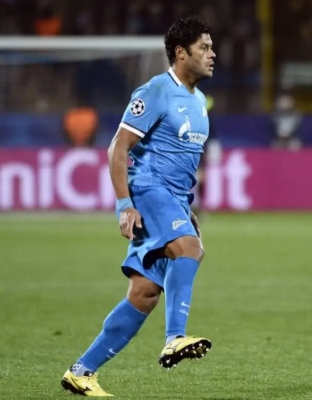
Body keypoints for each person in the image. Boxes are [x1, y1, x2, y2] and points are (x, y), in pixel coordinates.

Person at [61, 15, 216, 397]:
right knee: (191, 249)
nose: (213, 54)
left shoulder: (199, 101)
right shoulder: (156, 91)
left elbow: (178, 161)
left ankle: (81, 371)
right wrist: (124, 205)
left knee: (144, 292)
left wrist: (183, 209)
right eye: (204, 47)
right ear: (181, 53)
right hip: (148, 189)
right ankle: (174, 338)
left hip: (171, 198)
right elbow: (118, 148)